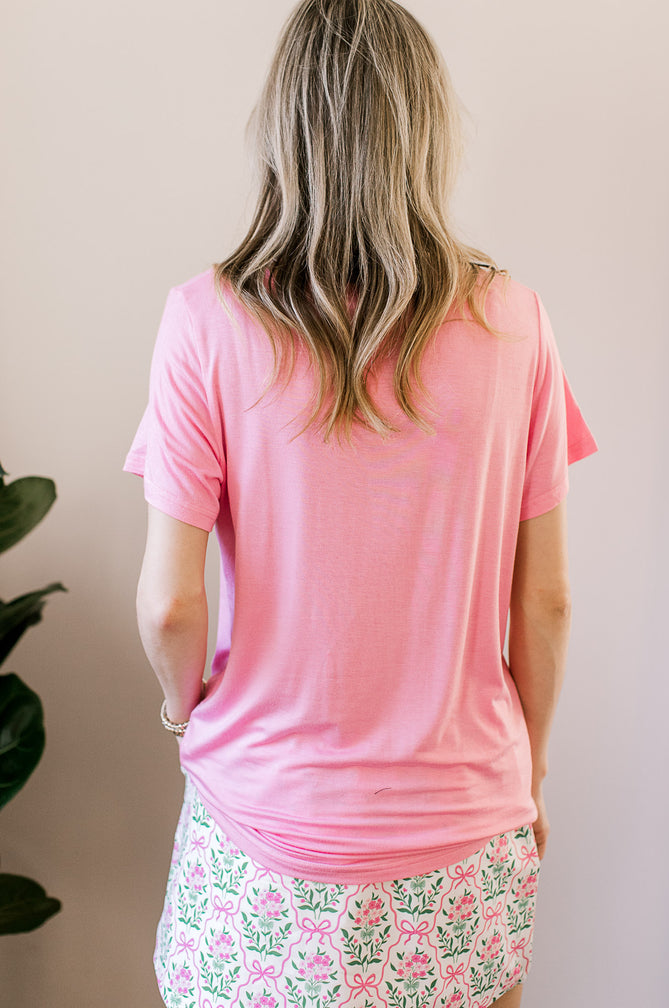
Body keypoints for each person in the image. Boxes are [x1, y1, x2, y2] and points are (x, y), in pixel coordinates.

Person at [125, 1, 597, 1005]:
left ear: (285, 130)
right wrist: (534, 769)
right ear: (424, 132)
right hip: (465, 829)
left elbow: (169, 605)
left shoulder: (205, 321)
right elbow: (545, 604)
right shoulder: (513, 321)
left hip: (262, 831)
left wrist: (184, 712)